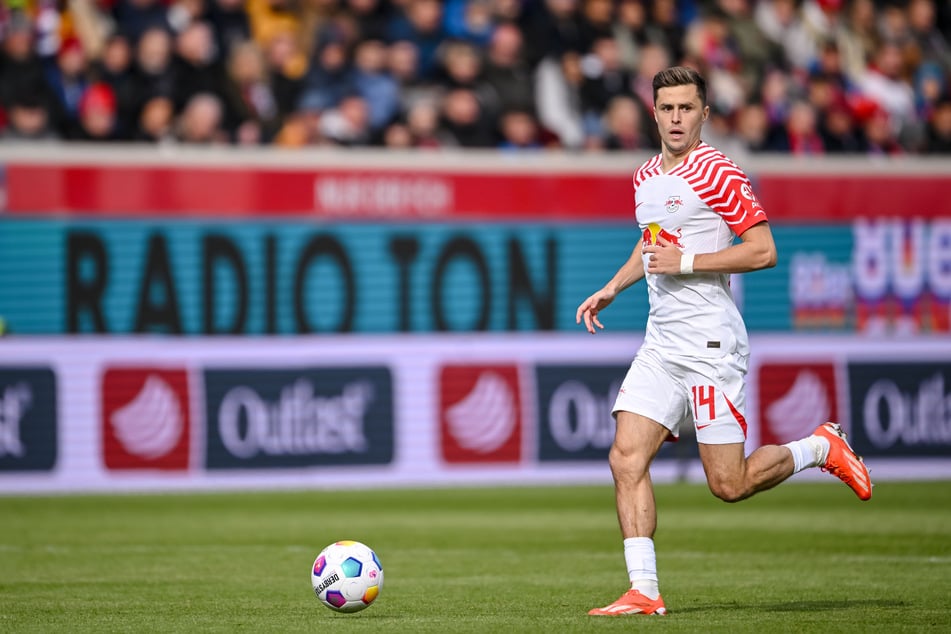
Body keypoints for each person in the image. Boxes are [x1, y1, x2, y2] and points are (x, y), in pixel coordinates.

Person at [574, 66, 872, 617]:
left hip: (711, 344)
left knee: (728, 485)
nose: (677, 118)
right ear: (654, 112)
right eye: (667, 108)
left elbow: (763, 250)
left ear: (704, 113)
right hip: (661, 343)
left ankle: (820, 447)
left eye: (687, 108)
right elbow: (652, 244)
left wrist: (687, 262)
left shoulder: (718, 172)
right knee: (625, 457)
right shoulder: (643, 178)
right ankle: (645, 590)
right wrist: (612, 286)